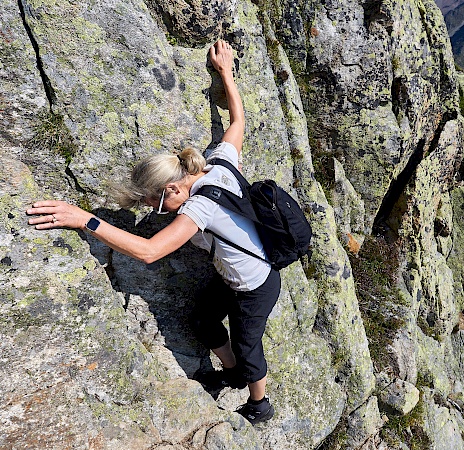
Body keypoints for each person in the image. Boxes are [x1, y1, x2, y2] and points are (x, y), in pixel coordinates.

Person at [26, 40, 279, 425]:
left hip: (254, 284)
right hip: (231, 275)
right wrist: (225, 73)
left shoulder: (198, 207)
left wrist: (85, 221)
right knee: (203, 321)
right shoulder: (218, 165)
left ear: (175, 189)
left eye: (155, 204)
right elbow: (236, 125)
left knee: (249, 347)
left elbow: (148, 252)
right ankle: (230, 374)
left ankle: (259, 403)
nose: (153, 211)